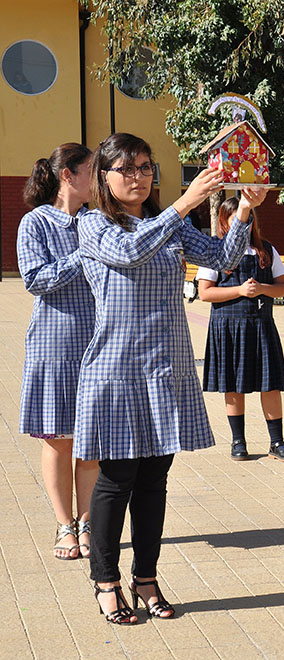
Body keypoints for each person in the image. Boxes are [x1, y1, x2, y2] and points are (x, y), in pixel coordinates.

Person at [74, 133, 257, 625]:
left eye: (145, 167)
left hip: (167, 367)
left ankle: (147, 577)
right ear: (104, 178)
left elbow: (222, 260)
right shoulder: (92, 224)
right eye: (126, 169)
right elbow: (132, 250)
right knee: (117, 479)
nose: (137, 176)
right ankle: (106, 582)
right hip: (117, 369)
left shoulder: (166, 225)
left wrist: (242, 210)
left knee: (155, 481)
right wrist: (184, 203)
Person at [17, 143, 98, 561]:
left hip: (99, 345)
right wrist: (83, 257)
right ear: (68, 175)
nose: (98, 179)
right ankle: (64, 526)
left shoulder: (96, 221)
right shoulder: (35, 223)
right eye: (91, 171)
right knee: (59, 440)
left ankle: (88, 524)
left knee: (91, 443)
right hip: (53, 344)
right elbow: (34, 279)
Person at [197, 196, 284, 462]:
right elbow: (205, 293)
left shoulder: (266, 250)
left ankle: (277, 441)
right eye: (236, 220)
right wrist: (240, 290)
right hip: (228, 326)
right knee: (233, 384)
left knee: (270, 384)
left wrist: (263, 289)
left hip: (261, 325)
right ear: (224, 222)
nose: (244, 224)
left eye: (248, 219)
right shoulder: (216, 251)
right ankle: (238, 441)